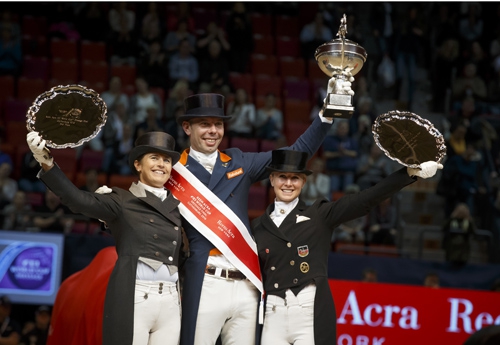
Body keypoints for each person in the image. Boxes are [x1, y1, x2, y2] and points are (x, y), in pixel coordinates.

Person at [174, 81, 348, 345]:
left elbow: (294, 154)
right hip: (205, 281)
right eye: (204, 124)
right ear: (187, 127)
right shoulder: (174, 175)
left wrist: (327, 115)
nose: (213, 131)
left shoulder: (239, 162)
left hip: (246, 285)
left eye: (218, 124)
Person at [251, 149, 442, 344]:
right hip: (272, 313)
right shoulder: (257, 226)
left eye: (295, 178)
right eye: (282, 177)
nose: (288, 183)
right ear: (272, 179)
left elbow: (364, 200)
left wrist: (408, 173)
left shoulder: (318, 214)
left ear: (303, 182)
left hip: (308, 311)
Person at [27, 130, 186, 345]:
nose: (161, 164)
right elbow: (77, 200)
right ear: (138, 165)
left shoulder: (176, 208)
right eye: (154, 158)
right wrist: (46, 162)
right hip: (136, 297)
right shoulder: (121, 200)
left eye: (166, 160)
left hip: (170, 301)